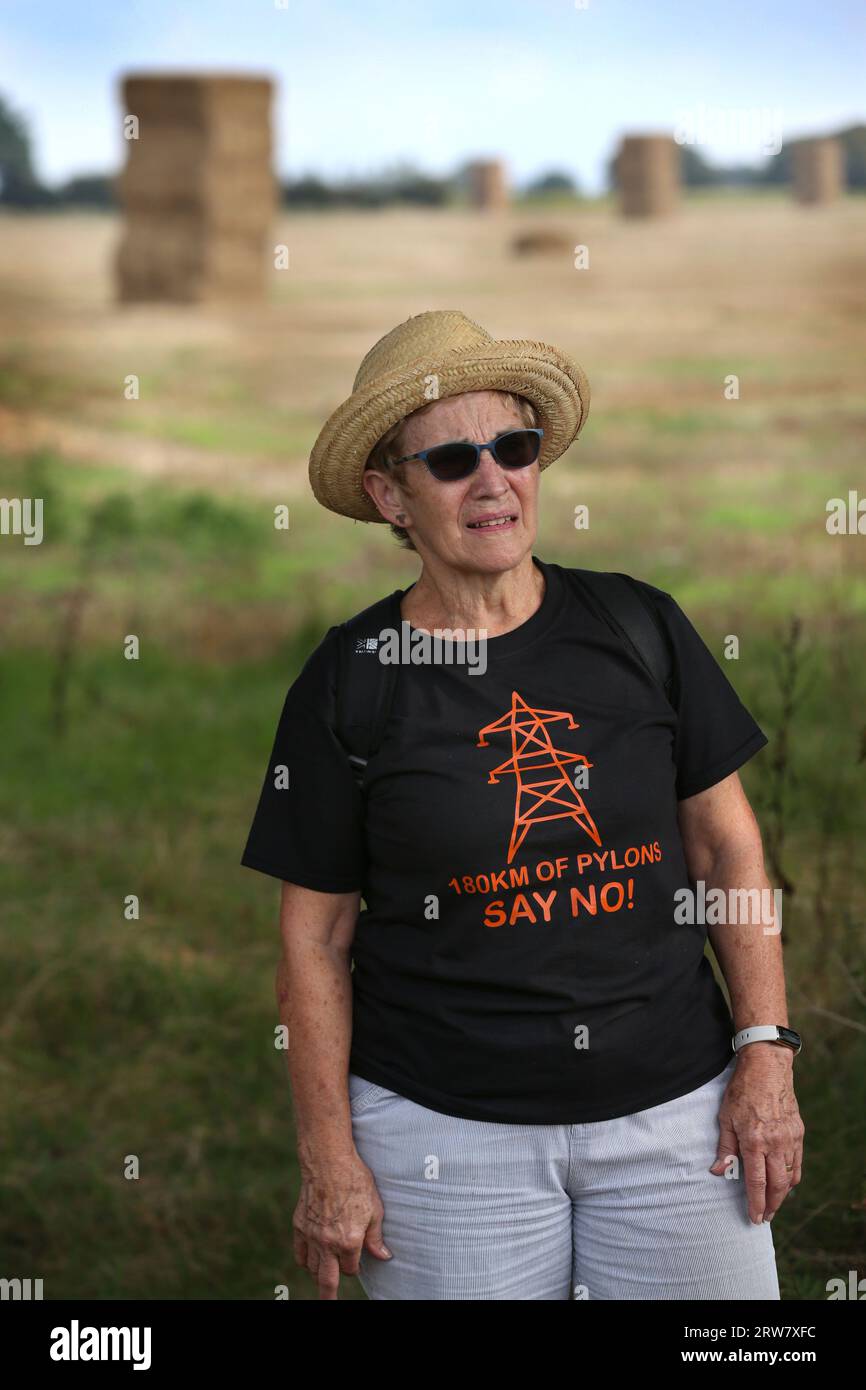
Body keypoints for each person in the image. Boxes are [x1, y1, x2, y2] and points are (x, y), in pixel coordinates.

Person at [241, 308, 804, 1300]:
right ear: (390, 495)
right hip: (443, 1141)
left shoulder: (637, 626)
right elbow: (313, 940)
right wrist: (329, 1155)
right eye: (452, 460)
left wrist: (764, 1053)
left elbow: (726, 851)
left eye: (514, 446)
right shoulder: (351, 680)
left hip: (678, 1117)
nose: (493, 479)